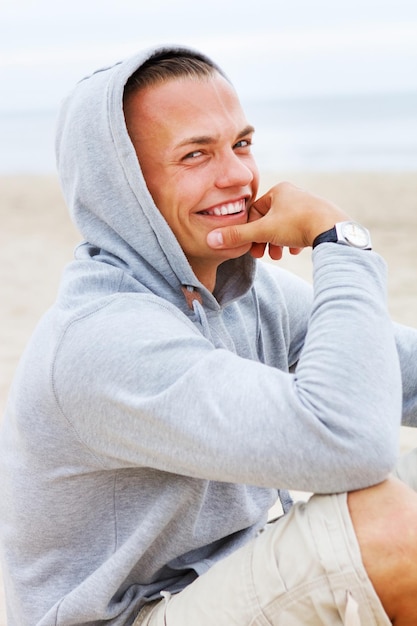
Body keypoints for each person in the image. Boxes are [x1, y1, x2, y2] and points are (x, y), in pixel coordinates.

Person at [0, 44, 417, 626]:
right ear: (124, 188)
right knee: (387, 524)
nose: (239, 176)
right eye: (196, 155)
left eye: (240, 144)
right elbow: (350, 443)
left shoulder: (248, 294)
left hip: (223, 582)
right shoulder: (104, 339)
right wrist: (340, 244)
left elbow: (405, 375)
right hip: (134, 617)